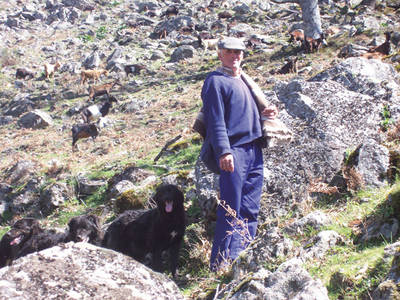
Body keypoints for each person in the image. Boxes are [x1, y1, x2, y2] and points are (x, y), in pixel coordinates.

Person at [200, 37, 278, 271]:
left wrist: (266, 110)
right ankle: (220, 266)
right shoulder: (215, 81)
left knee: (250, 209)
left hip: (254, 150)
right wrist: (224, 151)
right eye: (230, 52)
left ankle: (242, 261)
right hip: (234, 152)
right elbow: (215, 121)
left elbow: (246, 110)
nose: (235, 56)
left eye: (239, 53)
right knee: (230, 210)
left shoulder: (244, 80)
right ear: (220, 54)